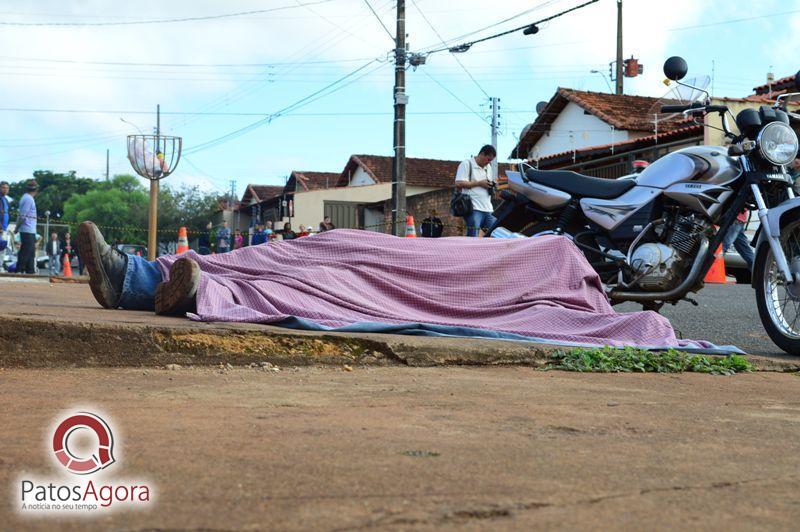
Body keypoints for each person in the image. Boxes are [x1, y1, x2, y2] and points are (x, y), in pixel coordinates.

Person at [455, 145, 497, 237]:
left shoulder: (488, 167)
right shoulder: (466, 164)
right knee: (473, 237)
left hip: (488, 208)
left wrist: (491, 185)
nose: (489, 162)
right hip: (473, 208)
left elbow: (486, 183)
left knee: (495, 234)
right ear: (482, 154)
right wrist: (479, 183)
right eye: (488, 159)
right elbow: (458, 183)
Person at [16, 180, 38, 274]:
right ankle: (19, 269)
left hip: (30, 229)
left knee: (31, 251)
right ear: (36, 190)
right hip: (27, 229)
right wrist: (17, 228)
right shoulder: (28, 199)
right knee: (26, 250)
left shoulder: (27, 198)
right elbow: (22, 215)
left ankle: (30, 270)